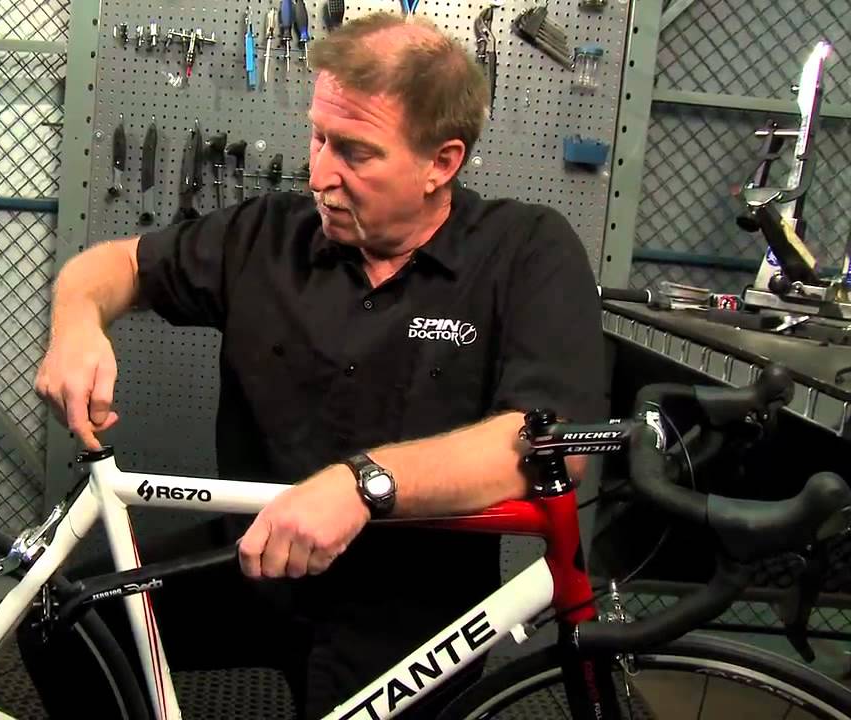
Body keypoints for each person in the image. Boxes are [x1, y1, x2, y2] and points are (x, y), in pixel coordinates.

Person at [32, 11, 605, 719]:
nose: (320, 173)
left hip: (411, 604)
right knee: (64, 624)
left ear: (442, 162)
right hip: (255, 559)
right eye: (319, 136)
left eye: (356, 152)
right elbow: (113, 266)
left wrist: (362, 484)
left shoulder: (526, 251)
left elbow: (551, 444)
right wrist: (76, 324)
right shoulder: (267, 234)